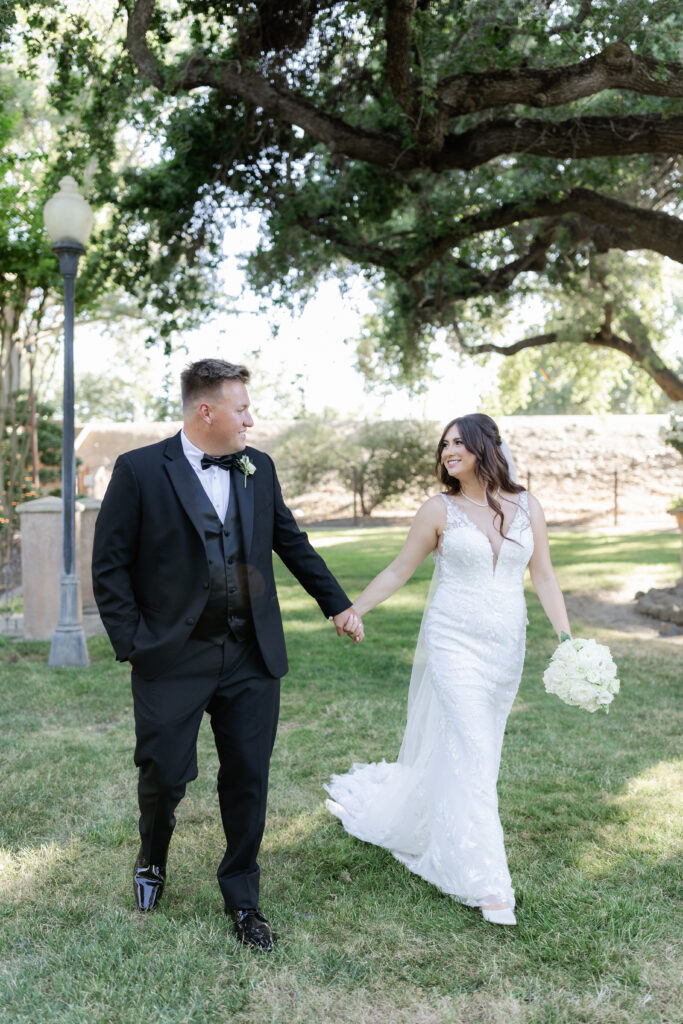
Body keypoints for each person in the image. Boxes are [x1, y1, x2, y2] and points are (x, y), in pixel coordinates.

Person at [92, 358, 362, 951]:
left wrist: (336, 605)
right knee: (164, 773)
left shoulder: (257, 467)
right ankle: (152, 858)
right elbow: (109, 565)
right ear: (205, 411)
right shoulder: (139, 470)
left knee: (248, 777)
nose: (251, 418)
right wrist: (134, 645)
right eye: (242, 409)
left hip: (251, 654)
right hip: (172, 656)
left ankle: (243, 898)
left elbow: (289, 538)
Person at [325, 413, 571, 926]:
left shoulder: (527, 506)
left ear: (486, 446)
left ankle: (438, 820)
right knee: (474, 748)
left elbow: (543, 575)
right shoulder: (438, 510)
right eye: (444, 445)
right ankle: (487, 881)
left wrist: (567, 639)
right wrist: (356, 610)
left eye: (459, 442)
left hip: (507, 646)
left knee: (479, 752)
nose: (448, 451)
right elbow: (399, 568)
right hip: (452, 642)